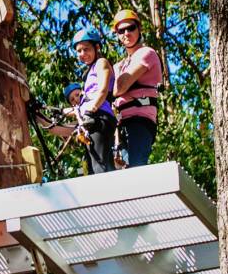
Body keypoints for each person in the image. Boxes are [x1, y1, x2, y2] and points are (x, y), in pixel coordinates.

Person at [109, 10, 162, 167]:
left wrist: (110, 88)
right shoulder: (119, 65)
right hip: (120, 124)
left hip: (140, 120)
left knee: (136, 169)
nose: (126, 33)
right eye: (121, 30)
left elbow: (120, 87)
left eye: (130, 28)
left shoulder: (147, 53)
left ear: (139, 29)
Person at [69, 28, 117, 174]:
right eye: (79, 51)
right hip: (93, 117)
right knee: (98, 165)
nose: (82, 54)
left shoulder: (101, 63)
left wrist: (91, 111)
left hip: (100, 117)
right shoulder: (88, 72)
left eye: (86, 49)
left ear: (97, 47)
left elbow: (102, 90)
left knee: (99, 166)